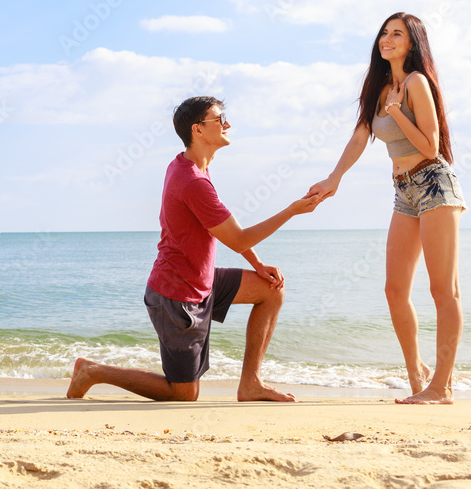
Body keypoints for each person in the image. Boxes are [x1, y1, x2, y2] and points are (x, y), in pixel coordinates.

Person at [66, 96, 320, 403]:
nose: (227, 124)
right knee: (184, 394)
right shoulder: (192, 181)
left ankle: (251, 383)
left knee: (271, 289)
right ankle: (93, 372)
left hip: (201, 282)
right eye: (219, 119)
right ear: (198, 130)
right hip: (175, 296)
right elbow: (237, 238)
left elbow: (224, 229)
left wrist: (258, 263)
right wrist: (291, 211)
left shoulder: (192, 166)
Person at [308, 12, 466, 405]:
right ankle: (417, 373)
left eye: (397, 34)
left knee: (442, 289)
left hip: (434, 184)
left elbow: (431, 147)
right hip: (403, 191)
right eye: (384, 32)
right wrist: (334, 178)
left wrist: (397, 112)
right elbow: (360, 138)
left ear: (412, 43)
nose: (387, 38)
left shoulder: (416, 83)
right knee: (395, 290)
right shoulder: (379, 87)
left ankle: (441, 386)